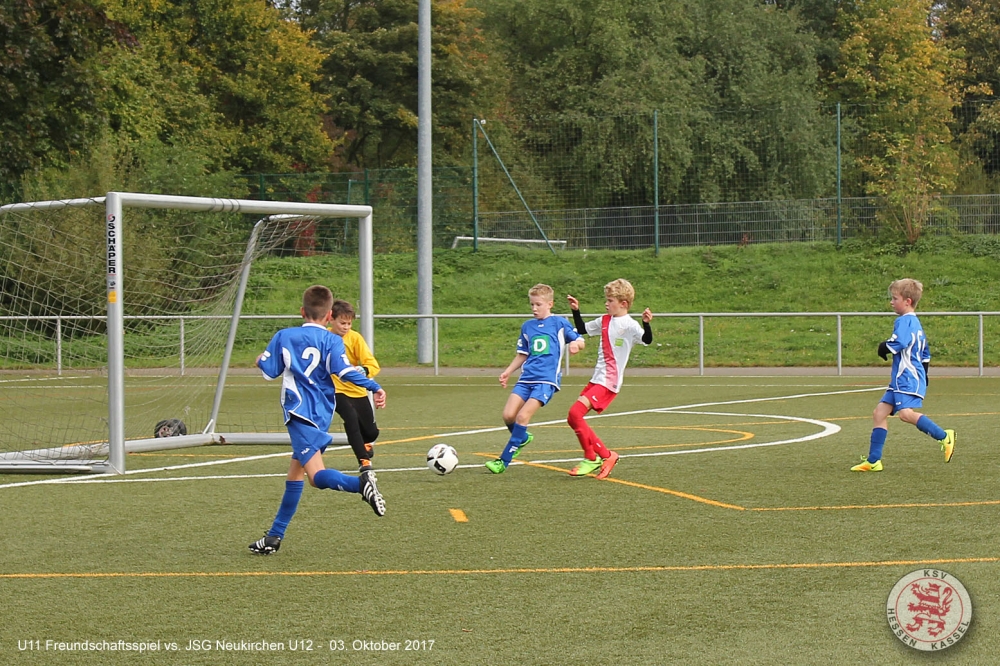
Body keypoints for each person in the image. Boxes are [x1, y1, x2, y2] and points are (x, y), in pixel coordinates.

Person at [248, 285, 387, 556]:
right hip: (321, 414)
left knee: (316, 477)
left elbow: (270, 370)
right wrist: (374, 387)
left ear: (302, 311)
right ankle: (274, 536)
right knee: (296, 474)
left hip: (300, 414)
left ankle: (361, 484)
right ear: (329, 316)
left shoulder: (284, 336)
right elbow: (345, 372)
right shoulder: (333, 341)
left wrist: (259, 360)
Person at [851, 278, 956, 472]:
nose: (891, 302)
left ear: (907, 301)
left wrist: (884, 347)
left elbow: (900, 342)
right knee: (879, 413)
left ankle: (944, 436)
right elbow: (925, 353)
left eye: (895, 298)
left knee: (906, 415)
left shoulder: (905, 321)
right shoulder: (915, 323)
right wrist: (924, 372)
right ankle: (874, 461)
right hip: (902, 379)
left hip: (907, 377)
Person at [485, 284, 585, 474]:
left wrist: (575, 346)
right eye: (532, 304)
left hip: (546, 381)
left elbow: (579, 340)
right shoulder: (527, 326)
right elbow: (523, 354)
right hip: (526, 378)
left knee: (523, 416)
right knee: (508, 415)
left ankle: (503, 461)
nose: (534, 308)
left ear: (550, 304)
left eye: (538, 304)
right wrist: (508, 372)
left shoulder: (559, 323)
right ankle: (522, 438)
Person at [566, 279, 653, 479]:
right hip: (597, 378)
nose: (606, 304)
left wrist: (646, 324)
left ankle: (597, 457)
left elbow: (647, 340)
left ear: (623, 303)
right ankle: (601, 456)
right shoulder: (604, 320)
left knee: (575, 413)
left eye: (610, 300)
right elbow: (582, 328)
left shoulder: (630, 325)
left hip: (609, 382)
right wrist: (576, 310)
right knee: (572, 418)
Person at [328, 299, 381, 473]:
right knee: (350, 418)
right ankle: (363, 460)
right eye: (342, 323)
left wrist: (362, 370)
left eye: (349, 324)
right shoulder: (324, 337)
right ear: (331, 319)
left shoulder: (355, 338)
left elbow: (372, 364)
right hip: (335, 390)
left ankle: (365, 444)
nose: (346, 327)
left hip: (357, 390)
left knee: (371, 433)